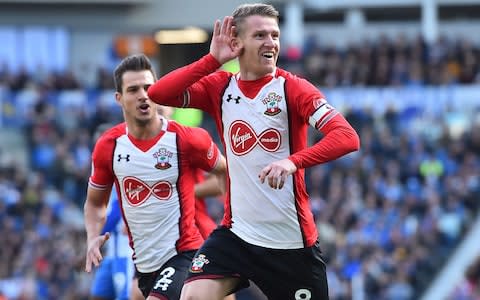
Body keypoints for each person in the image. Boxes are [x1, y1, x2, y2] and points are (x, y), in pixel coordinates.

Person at [147, 3, 360, 299]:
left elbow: (347, 137)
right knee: (191, 296)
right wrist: (211, 60)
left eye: (275, 35)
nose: (271, 42)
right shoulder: (220, 88)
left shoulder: (293, 89)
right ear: (237, 43)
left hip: (290, 244)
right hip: (237, 236)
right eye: (260, 35)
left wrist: (292, 162)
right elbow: (159, 94)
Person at [84, 53, 227, 300]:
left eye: (148, 87)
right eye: (133, 89)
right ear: (119, 98)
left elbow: (226, 171)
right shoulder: (109, 146)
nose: (143, 95)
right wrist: (92, 237)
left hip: (185, 251)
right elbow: (96, 202)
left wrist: (231, 224)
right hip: (145, 264)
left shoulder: (187, 138)